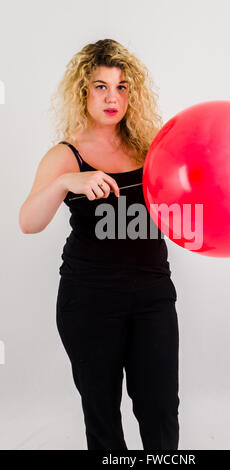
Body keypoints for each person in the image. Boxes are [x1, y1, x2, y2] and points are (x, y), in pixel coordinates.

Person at [19, 39, 180, 451]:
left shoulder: (150, 145)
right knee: (103, 414)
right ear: (82, 92)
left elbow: (179, 205)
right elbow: (28, 223)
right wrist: (64, 183)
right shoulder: (65, 154)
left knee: (159, 407)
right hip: (89, 299)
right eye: (100, 86)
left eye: (122, 87)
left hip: (152, 295)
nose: (113, 97)